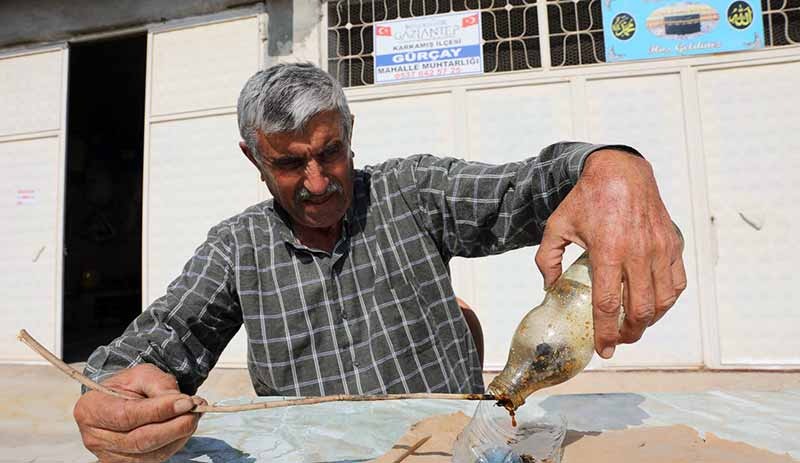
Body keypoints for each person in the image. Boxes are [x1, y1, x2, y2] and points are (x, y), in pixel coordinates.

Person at [73, 63, 686, 461]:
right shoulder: (238, 247)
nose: (316, 183)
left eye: (330, 153)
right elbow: (156, 345)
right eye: (289, 164)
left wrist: (613, 170)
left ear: (349, 132)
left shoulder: (412, 193)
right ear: (253, 158)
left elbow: (528, 187)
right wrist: (117, 398)